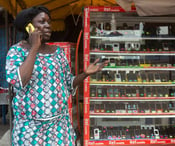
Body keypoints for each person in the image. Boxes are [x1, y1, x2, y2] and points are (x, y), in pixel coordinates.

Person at [5, 6, 108, 145]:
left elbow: (68, 84)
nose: (48, 26)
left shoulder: (58, 53)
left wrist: (85, 74)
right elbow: (19, 81)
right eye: (42, 22)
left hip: (59, 128)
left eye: (49, 22)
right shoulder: (16, 52)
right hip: (29, 129)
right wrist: (35, 46)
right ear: (28, 26)